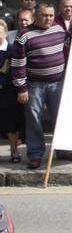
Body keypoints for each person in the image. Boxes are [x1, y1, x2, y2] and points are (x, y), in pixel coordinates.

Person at [11, 3, 72, 169]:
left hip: (58, 82)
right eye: (44, 15)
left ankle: (63, 150)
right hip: (35, 85)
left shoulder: (59, 29)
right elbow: (17, 64)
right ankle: (35, 155)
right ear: (36, 16)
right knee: (34, 120)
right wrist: (21, 88)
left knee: (60, 118)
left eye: (50, 15)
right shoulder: (24, 35)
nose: (48, 19)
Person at [0, 19, 25, 163]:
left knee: (11, 125)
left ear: (5, 32)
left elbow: (18, 71)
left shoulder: (13, 50)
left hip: (8, 93)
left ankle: (14, 153)